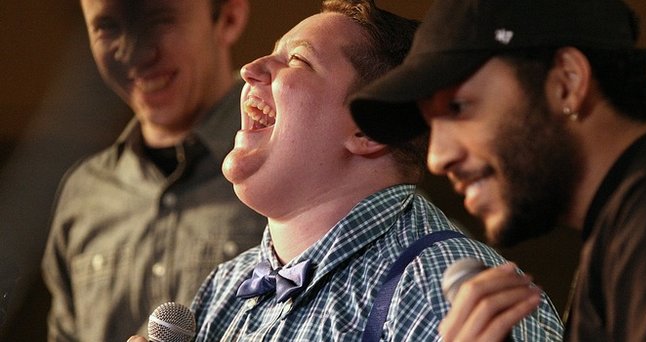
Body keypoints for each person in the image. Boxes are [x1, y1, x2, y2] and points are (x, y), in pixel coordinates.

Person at [128, 0, 562, 341]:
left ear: (369, 128)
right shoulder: (225, 288)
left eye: (297, 61)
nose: (249, 69)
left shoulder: (449, 291)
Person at [349, 0, 646, 341]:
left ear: (567, 81)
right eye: (430, 124)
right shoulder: (633, 221)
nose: (438, 158)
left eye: (458, 108)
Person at [41, 0, 267, 340]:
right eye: (108, 27)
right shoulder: (82, 194)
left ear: (229, 18)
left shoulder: (286, 163)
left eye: (159, 20)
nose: (135, 52)